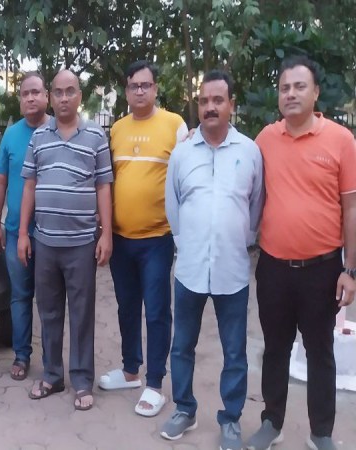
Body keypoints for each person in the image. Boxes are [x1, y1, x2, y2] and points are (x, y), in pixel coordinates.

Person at [246, 56, 356, 450]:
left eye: (299, 86)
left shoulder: (341, 140)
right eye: (284, 88)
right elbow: (232, 161)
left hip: (322, 271)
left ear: (316, 92)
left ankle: (321, 433)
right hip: (273, 268)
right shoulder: (264, 139)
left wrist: (350, 271)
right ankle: (271, 422)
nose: (290, 94)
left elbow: (351, 208)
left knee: (320, 351)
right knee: (275, 348)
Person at [159, 70, 264, 450]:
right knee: (182, 345)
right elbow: (173, 205)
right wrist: (186, 243)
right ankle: (184, 409)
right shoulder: (183, 153)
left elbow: (256, 207)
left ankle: (230, 418)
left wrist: (237, 241)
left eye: (218, 100)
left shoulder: (249, 152)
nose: (210, 107)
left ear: (231, 105)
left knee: (234, 351)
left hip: (232, 270)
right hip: (189, 269)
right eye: (204, 101)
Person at [19, 70, 113, 411]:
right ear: (51, 96)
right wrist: (23, 234)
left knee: (82, 313)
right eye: (57, 92)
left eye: (69, 91)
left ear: (79, 96)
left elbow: (103, 186)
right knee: (48, 311)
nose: (63, 98)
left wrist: (107, 234)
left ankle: (83, 380)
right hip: (45, 242)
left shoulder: (96, 137)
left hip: (82, 243)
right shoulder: (38, 137)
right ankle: (53, 375)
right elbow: (29, 186)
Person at [100, 60, 188, 417]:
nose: (140, 91)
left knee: (156, 311)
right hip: (121, 239)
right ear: (126, 90)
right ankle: (130, 371)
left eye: (146, 85)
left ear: (155, 89)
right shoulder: (117, 129)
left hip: (157, 239)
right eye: (134, 85)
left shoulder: (175, 125)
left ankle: (155, 384)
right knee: (126, 307)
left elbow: (186, 178)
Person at [0, 72, 49, 381]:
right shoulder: (11, 135)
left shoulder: (58, 131)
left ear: (46, 96)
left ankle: (52, 360)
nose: (30, 98)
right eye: (25, 93)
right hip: (15, 233)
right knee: (20, 296)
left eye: (36, 92)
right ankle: (21, 356)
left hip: (52, 235)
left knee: (51, 300)